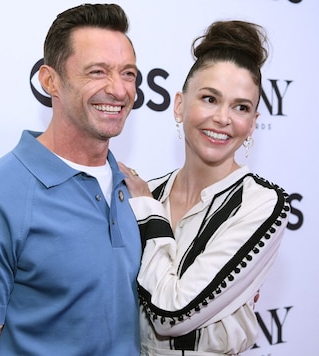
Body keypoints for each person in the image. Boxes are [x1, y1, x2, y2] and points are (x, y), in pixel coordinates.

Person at [0, 4, 141, 355]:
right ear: (50, 81)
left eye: (128, 74)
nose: (119, 90)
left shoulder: (132, 188)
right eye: (97, 72)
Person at [119, 20, 290, 355]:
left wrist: (147, 213)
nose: (223, 118)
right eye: (210, 99)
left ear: (253, 122)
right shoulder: (148, 192)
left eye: (241, 107)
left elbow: (173, 314)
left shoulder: (261, 203)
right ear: (179, 105)